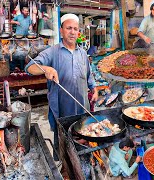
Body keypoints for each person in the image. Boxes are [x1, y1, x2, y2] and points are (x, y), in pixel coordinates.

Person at [25, 13, 98, 159]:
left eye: (75, 29)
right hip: (62, 108)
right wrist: (47, 69)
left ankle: (81, 162)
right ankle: (61, 168)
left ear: (78, 32)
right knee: (62, 142)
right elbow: (30, 67)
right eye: (68, 28)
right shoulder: (52, 52)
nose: (72, 32)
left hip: (82, 106)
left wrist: (94, 90)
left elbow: (89, 76)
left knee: (83, 138)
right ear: (61, 30)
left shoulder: (83, 53)